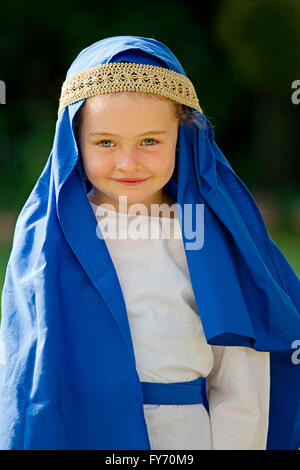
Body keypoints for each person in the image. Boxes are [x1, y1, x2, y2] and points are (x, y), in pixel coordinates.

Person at [0, 35, 299, 451]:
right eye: (105, 142)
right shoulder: (46, 243)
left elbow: (240, 377)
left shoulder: (207, 236)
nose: (127, 162)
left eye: (150, 141)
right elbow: (24, 376)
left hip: (184, 437)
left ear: (183, 135)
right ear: (73, 142)